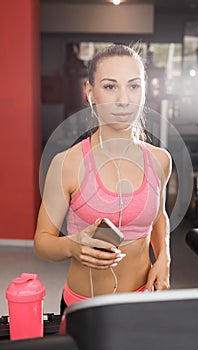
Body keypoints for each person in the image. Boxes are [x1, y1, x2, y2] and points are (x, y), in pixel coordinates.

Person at [34, 44, 172, 315]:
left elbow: (160, 216)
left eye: (134, 86)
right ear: (90, 92)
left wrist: (165, 255)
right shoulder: (67, 163)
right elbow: (42, 242)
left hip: (142, 300)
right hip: (85, 307)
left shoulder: (161, 160)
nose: (124, 99)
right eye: (110, 87)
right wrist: (72, 245)